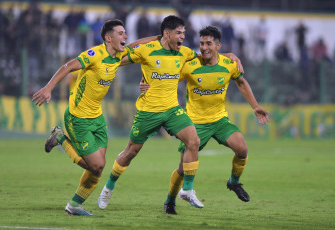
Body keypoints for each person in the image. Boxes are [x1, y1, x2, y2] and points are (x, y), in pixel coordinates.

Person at [32, 19, 159, 216]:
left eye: (125, 33)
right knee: (96, 165)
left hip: (97, 118)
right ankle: (61, 139)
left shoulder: (118, 56)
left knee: (98, 169)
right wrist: (48, 88)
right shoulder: (94, 54)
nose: (125, 36)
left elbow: (136, 46)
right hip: (78, 118)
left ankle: (74, 205)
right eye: (120, 33)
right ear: (109, 38)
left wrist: (159, 38)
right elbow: (67, 66)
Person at [140, 26, 269, 214]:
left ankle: (233, 183)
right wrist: (146, 82)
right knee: (182, 169)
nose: (204, 47)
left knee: (242, 149)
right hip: (194, 123)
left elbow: (241, 82)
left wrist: (255, 106)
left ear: (218, 45)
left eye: (209, 43)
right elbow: (167, 77)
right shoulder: (190, 65)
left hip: (219, 121)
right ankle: (170, 201)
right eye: (201, 43)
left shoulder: (229, 64)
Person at [97, 15, 205, 212]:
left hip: (173, 110)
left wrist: (232, 57)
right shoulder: (147, 50)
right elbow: (119, 59)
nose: (182, 37)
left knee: (194, 141)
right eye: (178, 33)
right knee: (130, 152)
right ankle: (109, 186)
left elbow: (208, 57)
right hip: (148, 112)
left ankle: (187, 189)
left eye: (184, 33)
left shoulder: (185, 53)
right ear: (166, 33)